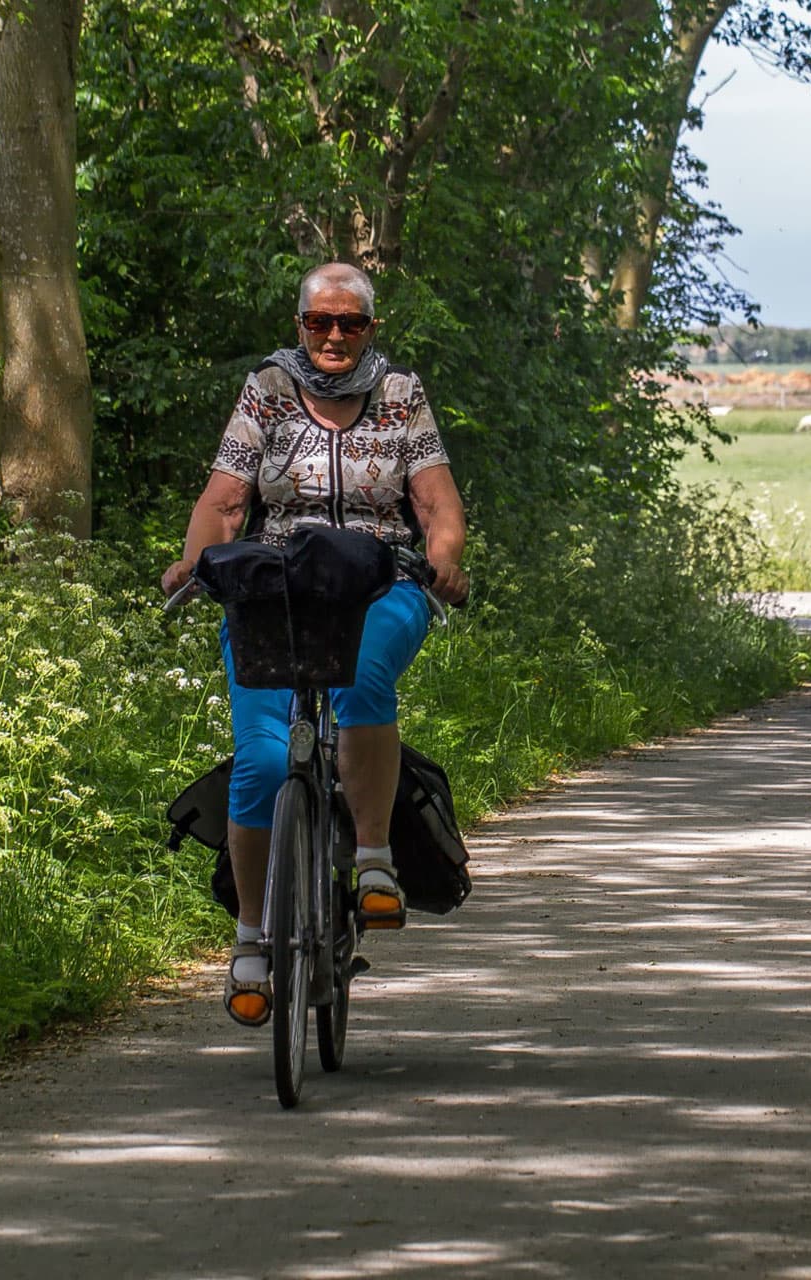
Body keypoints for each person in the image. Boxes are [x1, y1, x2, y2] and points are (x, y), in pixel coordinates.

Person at [160, 262, 469, 1027]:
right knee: (263, 757)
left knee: (363, 674)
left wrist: (446, 563)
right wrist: (197, 561)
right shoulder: (265, 390)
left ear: (371, 329)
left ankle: (371, 862)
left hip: (382, 580)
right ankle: (251, 944)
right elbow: (225, 500)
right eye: (319, 322)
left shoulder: (401, 397)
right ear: (299, 325)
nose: (333, 336)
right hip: (274, 585)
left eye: (350, 323)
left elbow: (437, 503)